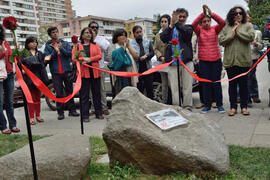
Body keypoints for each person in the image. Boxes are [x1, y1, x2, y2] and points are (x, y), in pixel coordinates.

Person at [219, 6, 255, 116]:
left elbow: (250, 37)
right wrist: (232, 33)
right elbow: (221, 41)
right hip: (230, 62)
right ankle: (233, 107)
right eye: (235, 13)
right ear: (232, 15)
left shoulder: (248, 25)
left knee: (244, 85)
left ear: (243, 15)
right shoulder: (226, 27)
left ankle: (244, 107)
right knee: (232, 85)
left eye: (240, 13)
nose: (238, 15)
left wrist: (238, 31)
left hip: (244, 61)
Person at [192, 5, 226, 113]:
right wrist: (202, 13)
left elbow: (222, 23)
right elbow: (193, 24)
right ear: (201, 23)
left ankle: (219, 104)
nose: (206, 23)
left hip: (216, 60)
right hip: (204, 62)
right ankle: (207, 105)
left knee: (216, 83)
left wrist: (211, 14)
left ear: (210, 22)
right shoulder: (199, 31)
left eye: (208, 21)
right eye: (204, 21)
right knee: (205, 84)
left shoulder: (215, 29)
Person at [160, 8, 193, 111]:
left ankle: (187, 106)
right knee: (174, 87)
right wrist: (171, 25)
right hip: (173, 62)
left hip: (186, 61)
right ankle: (177, 106)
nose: (182, 18)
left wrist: (177, 22)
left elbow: (187, 34)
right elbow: (163, 38)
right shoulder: (170, 29)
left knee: (187, 86)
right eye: (180, 16)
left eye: (184, 17)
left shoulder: (188, 28)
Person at [44, 26, 79, 120]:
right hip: (55, 72)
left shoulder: (65, 43)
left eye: (56, 32)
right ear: (50, 35)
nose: (55, 34)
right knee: (59, 93)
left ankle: (72, 111)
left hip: (66, 70)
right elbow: (47, 59)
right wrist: (55, 51)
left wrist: (61, 49)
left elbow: (69, 54)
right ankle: (60, 112)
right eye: (53, 32)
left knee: (70, 91)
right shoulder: (48, 46)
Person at [73, 27, 103, 121]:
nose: (88, 34)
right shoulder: (78, 46)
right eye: (86, 33)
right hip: (84, 73)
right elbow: (74, 58)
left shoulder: (95, 45)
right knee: (84, 95)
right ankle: (85, 115)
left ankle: (99, 113)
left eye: (90, 33)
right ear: (82, 35)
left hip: (95, 73)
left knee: (97, 94)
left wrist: (90, 59)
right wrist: (82, 60)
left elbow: (99, 56)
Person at [21, 36, 49, 125]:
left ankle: (38, 115)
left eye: (36, 42)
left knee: (38, 97)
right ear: (27, 43)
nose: (34, 44)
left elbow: (42, 65)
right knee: (31, 98)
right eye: (32, 42)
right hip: (29, 78)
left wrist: (43, 61)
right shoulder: (24, 53)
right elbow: (22, 64)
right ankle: (31, 117)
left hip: (39, 78)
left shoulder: (40, 53)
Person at [0, 24, 20, 134]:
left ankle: (13, 125)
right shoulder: (3, 45)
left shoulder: (6, 42)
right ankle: (3, 126)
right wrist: (2, 50)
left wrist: (16, 55)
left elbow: (10, 57)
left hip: (9, 73)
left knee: (9, 101)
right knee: (0, 102)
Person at [88, 21, 110, 116]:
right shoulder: (85, 39)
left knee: (101, 89)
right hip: (88, 68)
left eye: (96, 27)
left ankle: (104, 107)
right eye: (92, 27)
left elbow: (106, 47)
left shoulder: (101, 39)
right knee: (91, 90)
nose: (94, 29)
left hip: (99, 67)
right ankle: (93, 107)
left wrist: (94, 40)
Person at [107, 28, 138, 94]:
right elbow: (112, 59)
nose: (124, 37)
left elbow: (136, 56)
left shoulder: (128, 45)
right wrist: (123, 48)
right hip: (118, 74)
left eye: (125, 35)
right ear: (116, 37)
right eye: (121, 35)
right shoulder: (112, 46)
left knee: (130, 92)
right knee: (119, 92)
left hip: (129, 72)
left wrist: (128, 47)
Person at [130, 25, 155, 99]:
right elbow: (131, 55)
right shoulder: (131, 44)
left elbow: (152, 52)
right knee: (139, 89)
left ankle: (151, 105)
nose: (139, 34)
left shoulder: (148, 41)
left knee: (150, 89)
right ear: (134, 34)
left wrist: (146, 56)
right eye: (137, 32)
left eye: (140, 32)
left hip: (148, 68)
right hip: (137, 70)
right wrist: (138, 58)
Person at [154, 14, 171, 104]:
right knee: (164, 84)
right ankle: (165, 102)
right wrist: (160, 56)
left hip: (172, 62)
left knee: (173, 83)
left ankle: (175, 101)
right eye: (162, 22)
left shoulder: (172, 33)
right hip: (162, 63)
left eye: (165, 22)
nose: (163, 23)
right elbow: (155, 48)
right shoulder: (157, 35)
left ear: (169, 23)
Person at [247, 16, 263, 105]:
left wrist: (256, 44)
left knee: (249, 76)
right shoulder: (241, 32)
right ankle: (252, 95)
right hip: (243, 59)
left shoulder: (257, 33)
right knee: (250, 77)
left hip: (253, 58)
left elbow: (261, 46)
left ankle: (249, 98)